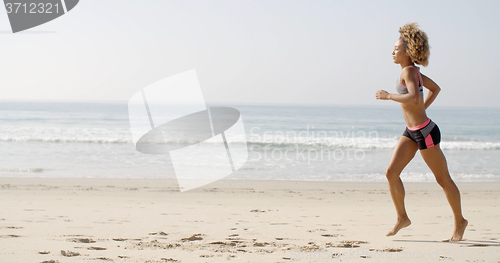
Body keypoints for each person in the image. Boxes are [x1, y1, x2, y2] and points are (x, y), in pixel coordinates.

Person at [375, 23, 468, 242]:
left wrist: (389, 96)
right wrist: (421, 109)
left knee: (443, 179)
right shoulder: (413, 72)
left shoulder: (409, 71)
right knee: (391, 173)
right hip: (411, 131)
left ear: (407, 52)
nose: (393, 51)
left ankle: (459, 222)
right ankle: (402, 218)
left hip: (425, 132)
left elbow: (414, 98)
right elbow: (435, 89)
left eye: (396, 48)